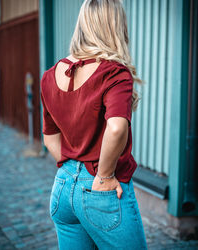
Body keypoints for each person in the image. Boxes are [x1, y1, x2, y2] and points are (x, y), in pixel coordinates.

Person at [40, 0, 148, 249]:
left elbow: (50, 138)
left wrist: (72, 167)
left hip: (63, 186)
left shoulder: (49, 76)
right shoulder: (114, 73)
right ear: (115, 25)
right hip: (101, 187)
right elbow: (117, 127)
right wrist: (104, 175)